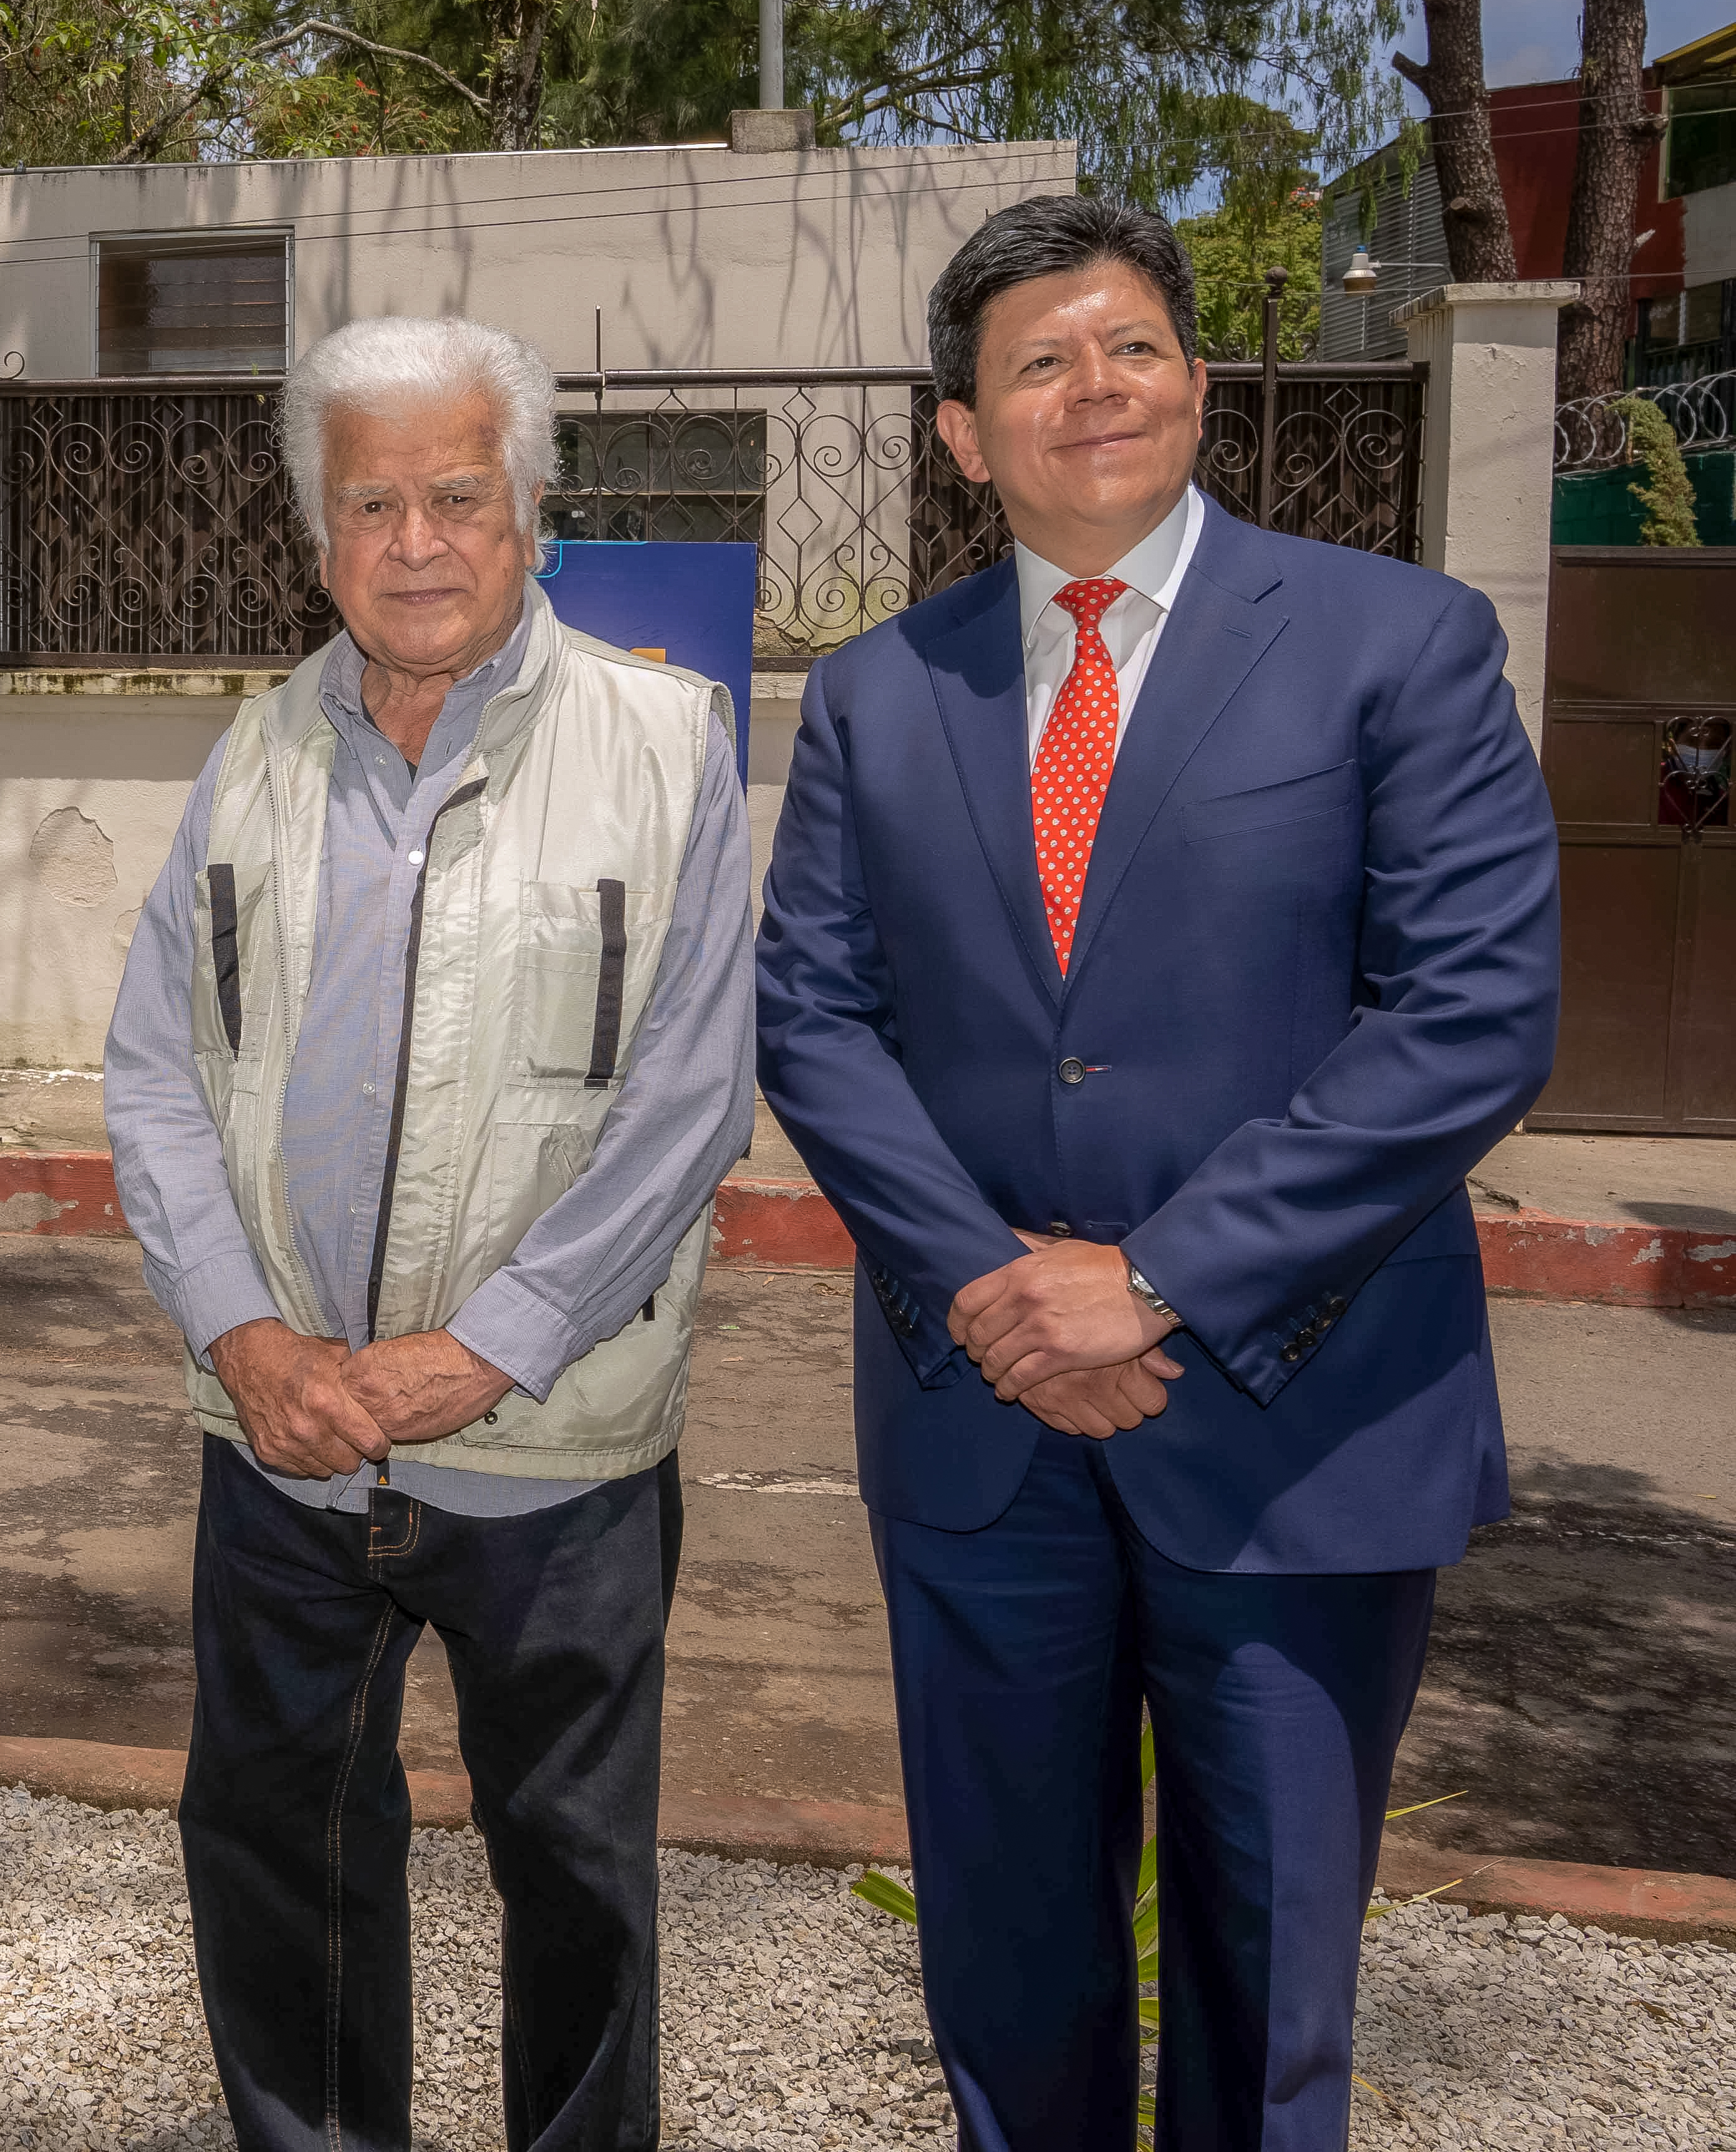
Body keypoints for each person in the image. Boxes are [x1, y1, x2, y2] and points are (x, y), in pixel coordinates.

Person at [756, 193, 1558, 2151]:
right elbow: (813, 1020)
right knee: (1006, 1958)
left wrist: (1161, 1277)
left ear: (1196, 382)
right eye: (1035, 362)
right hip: (983, 1424)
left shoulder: (1400, 643)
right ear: (963, 432)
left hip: (1298, 1419)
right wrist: (1001, 1292)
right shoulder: (879, 691)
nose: (1089, 388)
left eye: (1128, 346)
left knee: (1270, 1976)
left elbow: (1471, 1013)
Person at [103, 316, 753, 2152]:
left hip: (549, 1450)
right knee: (274, 1849)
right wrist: (246, 1337)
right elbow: (157, 1072)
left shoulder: (665, 743)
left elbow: (693, 1097)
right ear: (315, 535)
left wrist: (486, 1348)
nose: (414, 543)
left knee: (575, 1874)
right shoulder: (249, 754)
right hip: (282, 1441)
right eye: (371, 501)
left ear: (529, 509)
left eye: (457, 496)